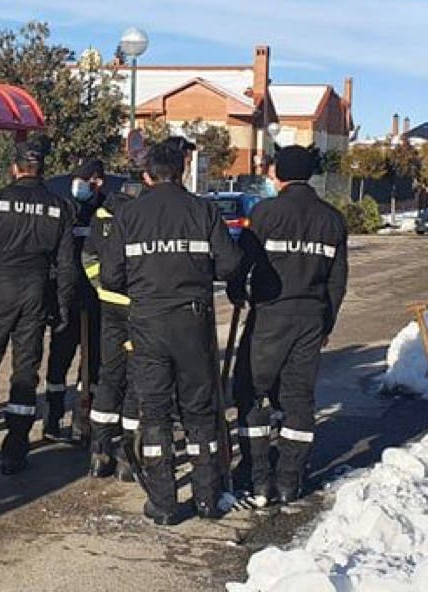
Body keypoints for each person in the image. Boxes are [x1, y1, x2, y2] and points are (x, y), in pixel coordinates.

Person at [102, 143, 242, 524]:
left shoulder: (129, 216)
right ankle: (207, 498)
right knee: (199, 411)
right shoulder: (204, 210)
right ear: (182, 170)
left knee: (155, 412)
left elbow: (112, 275)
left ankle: (163, 504)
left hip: (147, 322)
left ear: (147, 175)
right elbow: (230, 265)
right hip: (193, 323)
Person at [228, 144, 348, 506]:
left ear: (279, 173)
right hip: (311, 317)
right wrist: (327, 322)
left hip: (270, 315)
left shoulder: (266, 213)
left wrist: (237, 292)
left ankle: (258, 476)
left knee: (251, 391)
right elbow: (337, 281)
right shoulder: (331, 219)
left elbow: (241, 262)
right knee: (298, 399)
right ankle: (289, 480)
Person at [0, 136, 77, 475]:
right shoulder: (59, 206)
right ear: (42, 169)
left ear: (15, 168)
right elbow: (67, 265)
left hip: (0, 290)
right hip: (36, 292)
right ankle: (16, 451)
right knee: (25, 372)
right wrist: (63, 306)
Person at [43, 158, 105, 443]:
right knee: (58, 361)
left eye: (94, 180)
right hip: (65, 298)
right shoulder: (65, 209)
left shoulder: (105, 211)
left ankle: (83, 420)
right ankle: (52, 419)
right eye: (85, 179)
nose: (90, 185)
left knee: (92, 365)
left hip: (95, 299)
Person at [83, 185, 139, 480]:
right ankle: (128, 457)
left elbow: (89, 257)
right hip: (139, 307)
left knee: (109, 376)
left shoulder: (101, 215)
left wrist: (100, 288)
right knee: (134, 381)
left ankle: (99, 450)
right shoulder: (142, 215)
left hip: (109, 307)